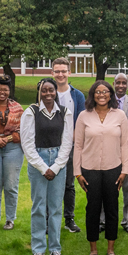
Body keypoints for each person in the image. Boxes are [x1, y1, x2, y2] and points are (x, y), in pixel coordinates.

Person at [74, 80, 128, 255]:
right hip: (89, 169)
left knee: (112, 207)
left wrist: (124, 170)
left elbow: (125, 144)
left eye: (105, 91)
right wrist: (77, 172)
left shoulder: (120, 115)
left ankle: (111, 248)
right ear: (92, 94)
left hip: (113, 168)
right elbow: (78, 145)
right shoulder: (84, 116)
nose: (101, 95)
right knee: (92, 208)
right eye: (98, 92)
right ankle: (93, 249)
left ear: (110, 94)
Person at [20, 78, 73, 255]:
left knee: (56, 208)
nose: (48, 93)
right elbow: (27, 144)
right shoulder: (31, 112)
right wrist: (43, 168)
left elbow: (67, 143)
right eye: (44, 90)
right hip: (38, 162)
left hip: (58, 160)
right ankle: (38, 249)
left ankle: (55, 248)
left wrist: (56, 166)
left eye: (51, 90)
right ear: (39, 92)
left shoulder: (65, 113)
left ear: (56, 91)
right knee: (39, 207)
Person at [51, 58, 86, 234]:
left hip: (71, 145)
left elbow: (80, 121)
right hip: (51, 145)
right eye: (57, 71)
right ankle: (50, 220)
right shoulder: (48, 93)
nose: (60, 74)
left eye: (63, 71)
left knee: (68, 185)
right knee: (50, 183)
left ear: (69, 73)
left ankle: (69, 219)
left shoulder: (77, 96)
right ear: (52, 73)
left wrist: (71, 141)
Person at [103, 73, 128, 234]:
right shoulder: (105, 102)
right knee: (106, 189)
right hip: (108, 154)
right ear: (113, 84)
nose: (121, 86)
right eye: (118, 83)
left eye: (124, 83)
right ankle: (103, 221)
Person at [0, 77, 24, 231]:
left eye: (5, 89)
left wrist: (6, 139)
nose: (2, 92)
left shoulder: (18, 108)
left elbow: (24, 131)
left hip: (12, 149)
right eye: (0, 89)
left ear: (10, 91)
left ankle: (10, 219)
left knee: (10, 185)